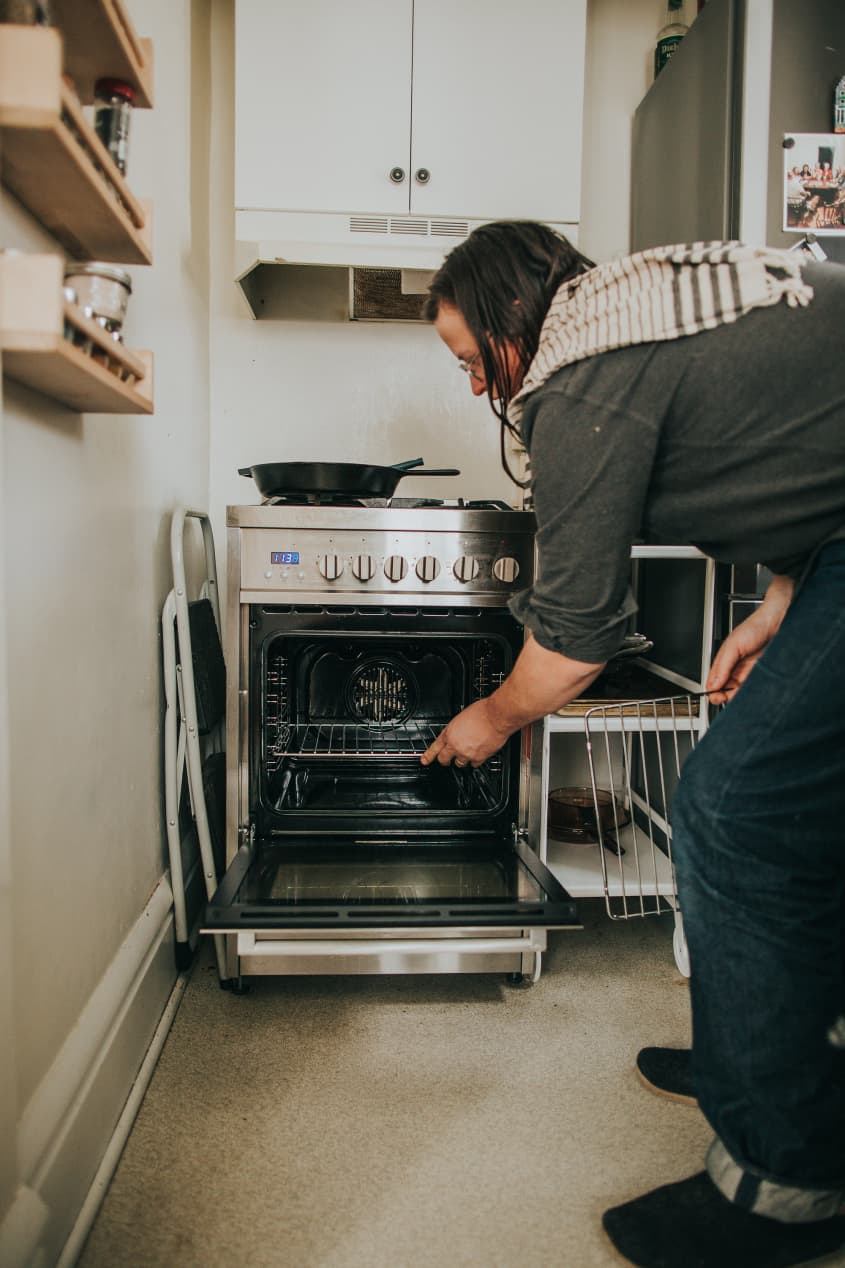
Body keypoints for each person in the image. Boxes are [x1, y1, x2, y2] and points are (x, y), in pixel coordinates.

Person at [419, 221, 845, 1268]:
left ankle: (784, 1178)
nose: (478, 387)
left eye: (474, 359)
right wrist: (777, 603)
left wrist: (482, 722)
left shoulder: (584, 376)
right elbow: (789, 452)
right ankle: (774, 1060)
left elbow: (568, 643)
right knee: (787, 813)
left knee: (731, 811)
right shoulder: (636, 320)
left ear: (513, 313)